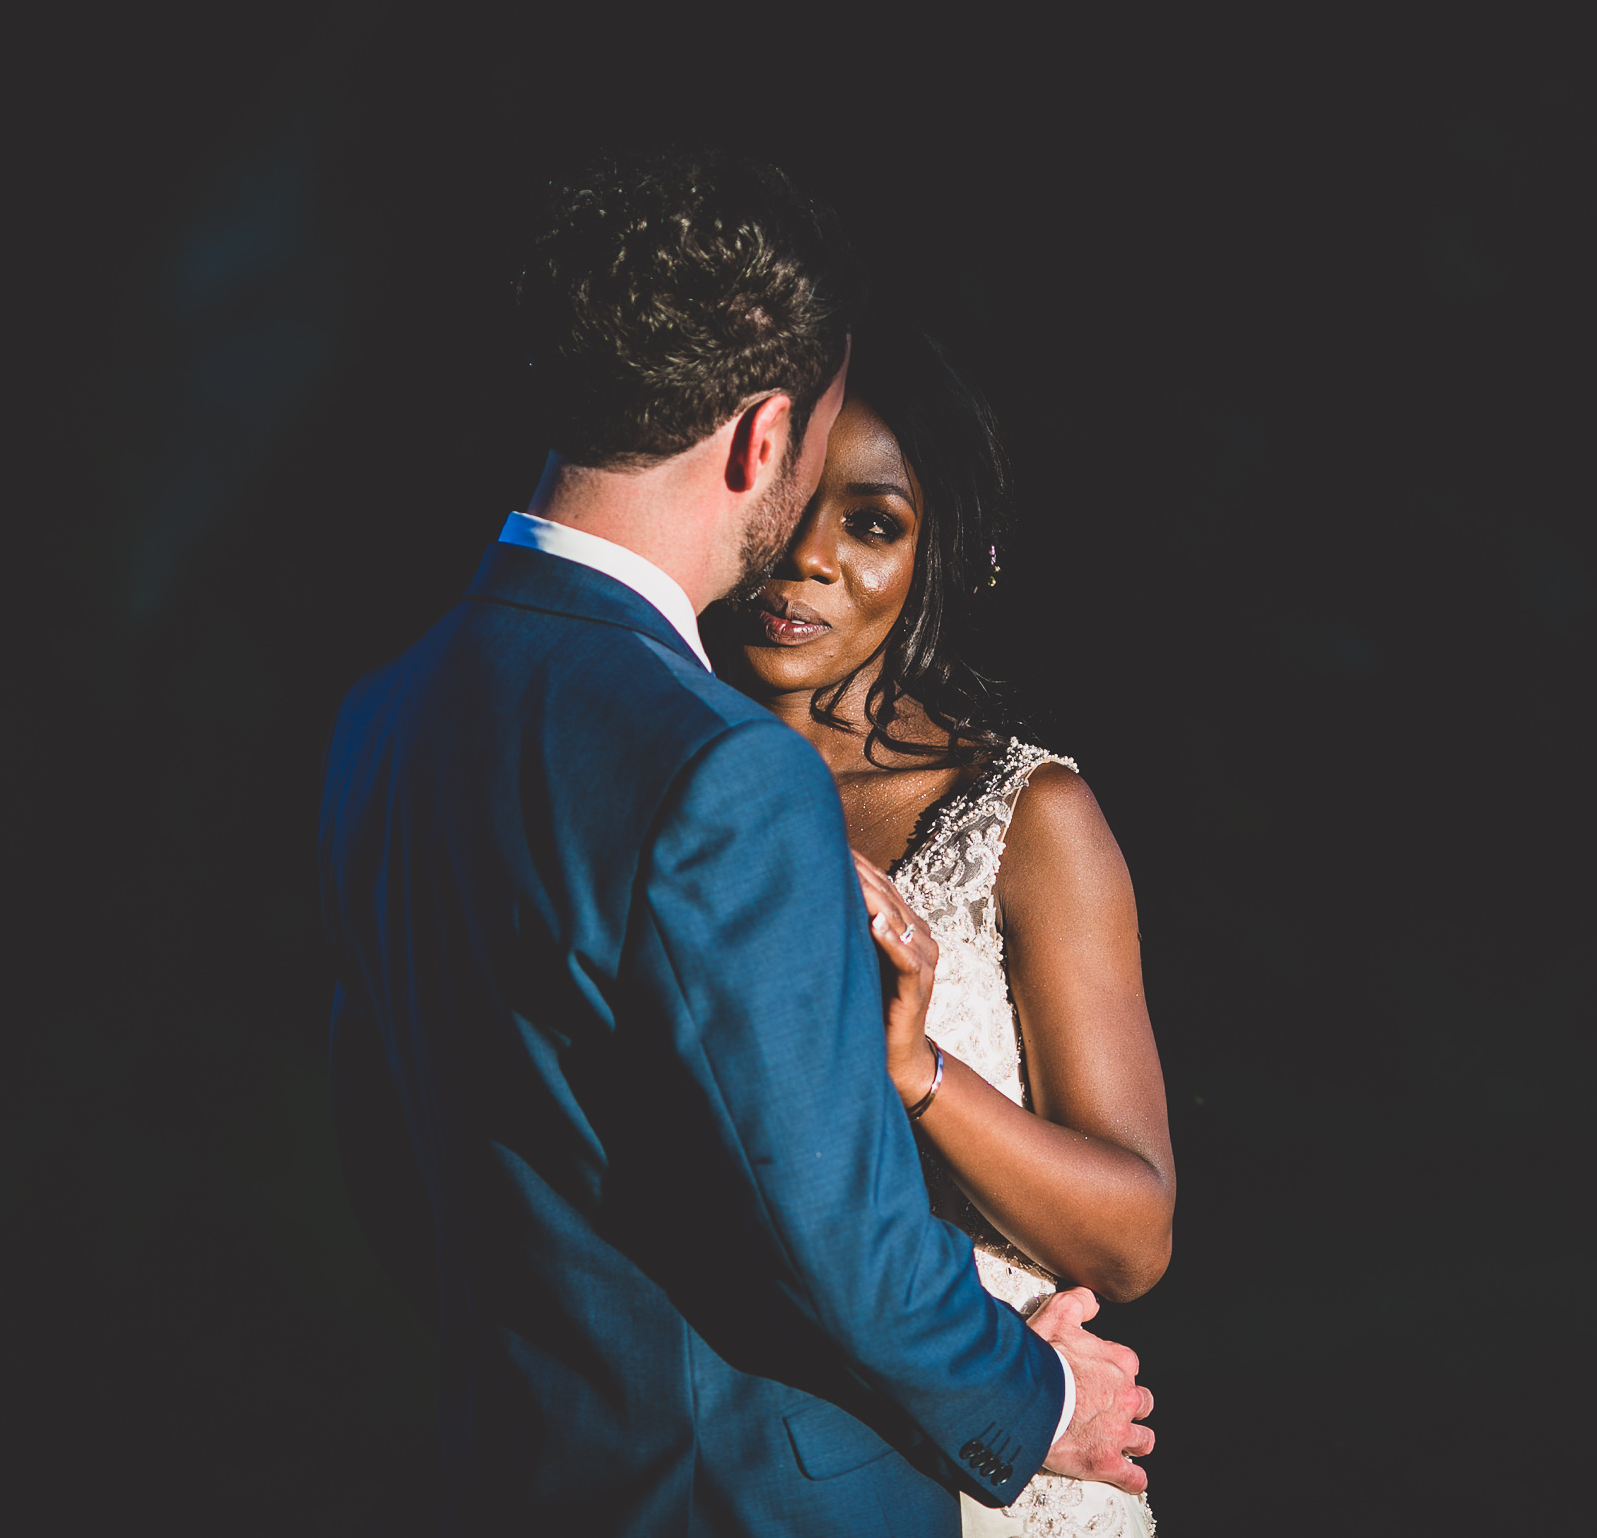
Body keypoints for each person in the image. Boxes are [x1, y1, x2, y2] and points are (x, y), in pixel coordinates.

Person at [320, 151, 1153, 1536]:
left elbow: (386, 1132)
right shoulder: (721, 769)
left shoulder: (386, 713)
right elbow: (825, 1213)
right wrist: (1044, 1397)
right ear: (765, 438)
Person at [708, 320, 1173, 1537]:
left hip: (1008, 1461)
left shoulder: (1025, 817)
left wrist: (915, 1068)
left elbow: (1132, 1236)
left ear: (935, 553)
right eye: (790, 502)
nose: (809, 559)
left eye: (871, 523)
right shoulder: (651, 776)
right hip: (735, 1459)